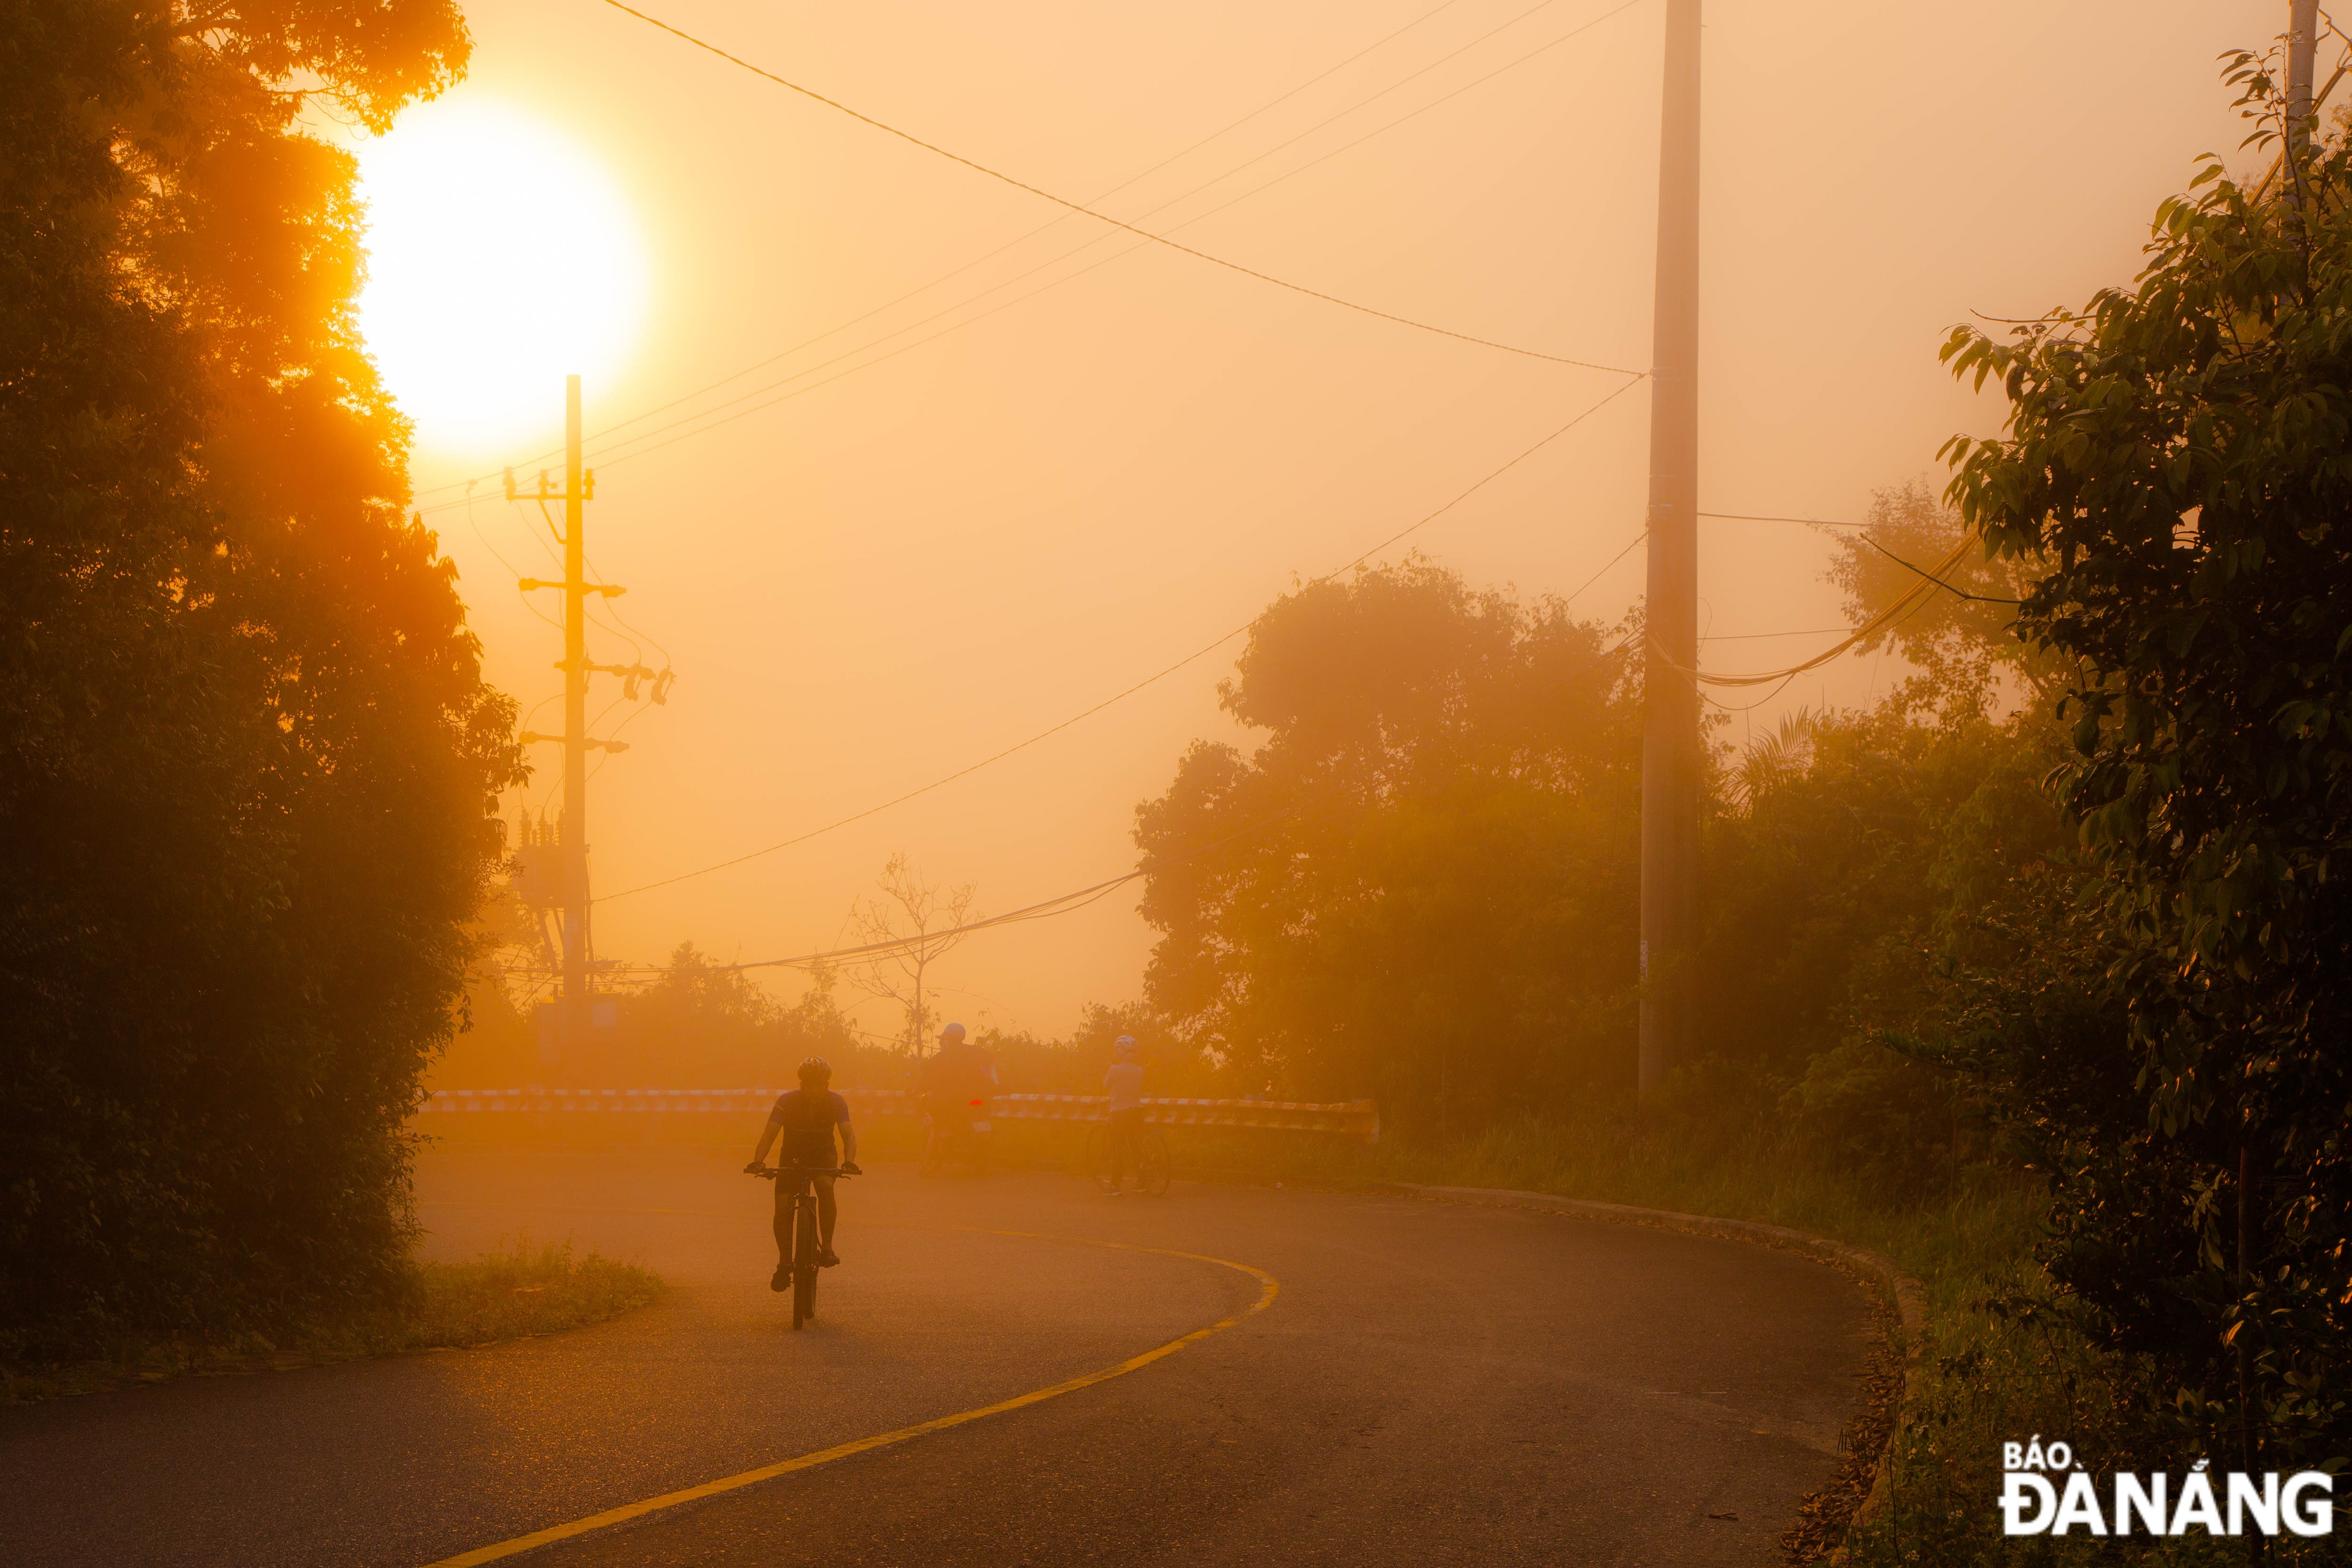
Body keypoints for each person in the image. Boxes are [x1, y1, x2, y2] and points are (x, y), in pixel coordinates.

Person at [746, 1056, 860, 1289]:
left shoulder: (837, 1102)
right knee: (783, 1204)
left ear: (827, 1085)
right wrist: (758, 1161)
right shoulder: (787, 1101)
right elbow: (770, 1133)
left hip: (824, 1154)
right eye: (808, 1084)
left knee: (826, 1186)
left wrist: (849, 1161)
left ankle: (827, 1248)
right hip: (792, 1155)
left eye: (818, 1085)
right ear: (801, 1085)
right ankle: (783, 1262)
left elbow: (848, 1134)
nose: (813, 1090)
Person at [1104, 1034, 1145, 1195]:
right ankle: (1142, 1182)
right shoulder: (1140, 1070)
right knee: (1136, 1147)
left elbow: (1106, 1085)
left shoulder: (1115, 1069)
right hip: (1137, 1111)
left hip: (1119, 1113)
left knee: (1118, 1148)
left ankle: (1115, 1186)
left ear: (1121, 1051)